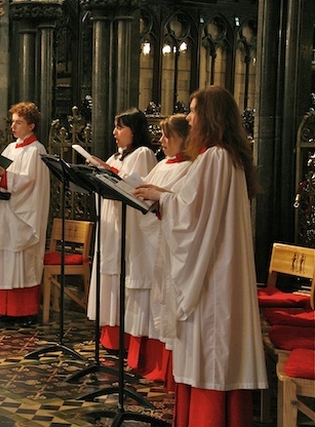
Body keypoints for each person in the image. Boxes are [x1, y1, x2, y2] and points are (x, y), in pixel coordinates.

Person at [134, 86, 267, 426]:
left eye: (194, 111)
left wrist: (162, 199)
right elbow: (197, 205)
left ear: (211, 116)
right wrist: (163, 194)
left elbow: (192, 215)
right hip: (219, 264)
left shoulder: (214, 158)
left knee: (210, 347)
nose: (189, 118)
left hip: (211, 274)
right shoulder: (227, 156)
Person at [127, 114, 191, 387]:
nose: (161, 141)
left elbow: (185, 208)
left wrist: (159, 198)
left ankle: (166, 369)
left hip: (170, 247)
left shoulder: (190, 167)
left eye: (167, 136)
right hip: (149, 243)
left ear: (183, 138)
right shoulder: (163, 164)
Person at [85, 108, 157, 351]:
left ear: (134, 131)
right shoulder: (116, 157)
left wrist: (109, 173)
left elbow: (140, 192)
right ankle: (110, 334)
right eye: (115, 127)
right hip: (112, 226)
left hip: (130, 230)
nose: (114, 132)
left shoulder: (143, 153)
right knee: (110, 275)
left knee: (125, 276)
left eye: (120, 127)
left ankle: (126, 337)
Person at [0, 101, 50, 326]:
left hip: (23, 214)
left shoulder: (36, 150)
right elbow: (4, 176)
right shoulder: (10, 149)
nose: (13, 127)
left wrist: (4, 176)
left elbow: (29, 181)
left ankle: (22, 310)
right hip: (7, 212)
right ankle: (3, 308)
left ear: (31, 125)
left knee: (21, 261)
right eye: (12, 122)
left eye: (19, 123)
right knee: (5, 259)